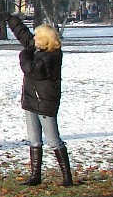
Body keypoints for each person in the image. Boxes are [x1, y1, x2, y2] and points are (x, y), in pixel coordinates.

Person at [8, 14, 72, 185]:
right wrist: (11, 20)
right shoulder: (37, 49)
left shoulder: (52, 56)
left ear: (45, 39)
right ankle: (35, 176)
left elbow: (32, 70)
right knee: (34, 140)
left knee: (53, 140)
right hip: (31, 101)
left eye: (37, 36)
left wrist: (24, 54)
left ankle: (67, 177)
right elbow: (24, 36)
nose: (34, 38)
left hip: (45, 103)